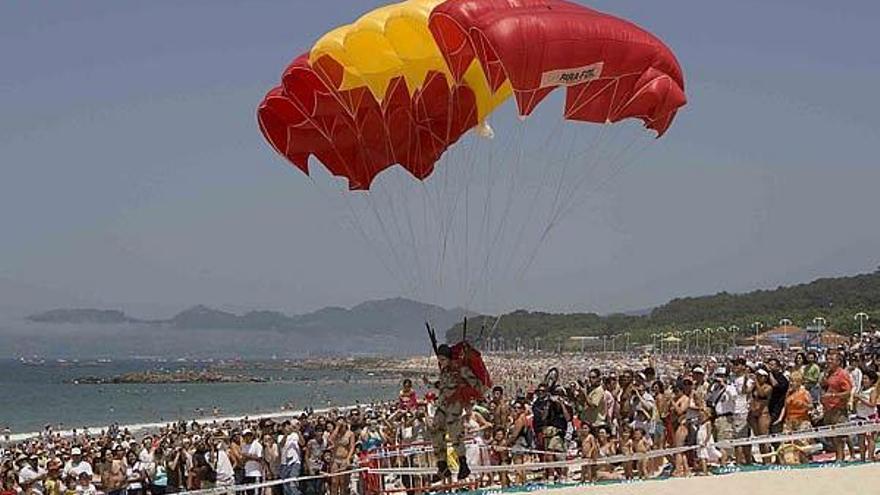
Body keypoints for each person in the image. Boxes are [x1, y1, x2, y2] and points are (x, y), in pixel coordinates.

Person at [424, 343, 484, 480]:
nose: (441, 362)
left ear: (449, 358)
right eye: (439, 360)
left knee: (455, 434)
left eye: (443, 359)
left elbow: (476, 383)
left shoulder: (460, 369)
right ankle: (442, 464)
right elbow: (442, 385)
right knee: (436, 431)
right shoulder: (444, 371)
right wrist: (429, 383)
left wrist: (471, 394)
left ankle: (463, 464)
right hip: (443, 404)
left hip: (455, 404)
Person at [821, 351, 853, 462]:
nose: (828, 361)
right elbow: (824, 386)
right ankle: (839, 455)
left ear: (838, 362)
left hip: (838, 408)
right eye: (828, 359)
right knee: (831, 435)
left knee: (839, 435)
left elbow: (848, 392)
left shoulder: (842, 374)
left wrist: (833, 395)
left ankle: (841, 457)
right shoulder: (829, 373)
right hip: (828, 408)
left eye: (831, 360)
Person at [278, 421, 303, 495]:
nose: (288, 428)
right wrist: (286, 434)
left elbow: (302, 443)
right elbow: (281, 445)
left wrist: (298, 431)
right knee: (286, 485)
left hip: (295, 462)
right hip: (284, 463)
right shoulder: (280, 436)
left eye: (289, 426)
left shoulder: (295, 435)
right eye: (286, 427)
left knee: (293, 482)